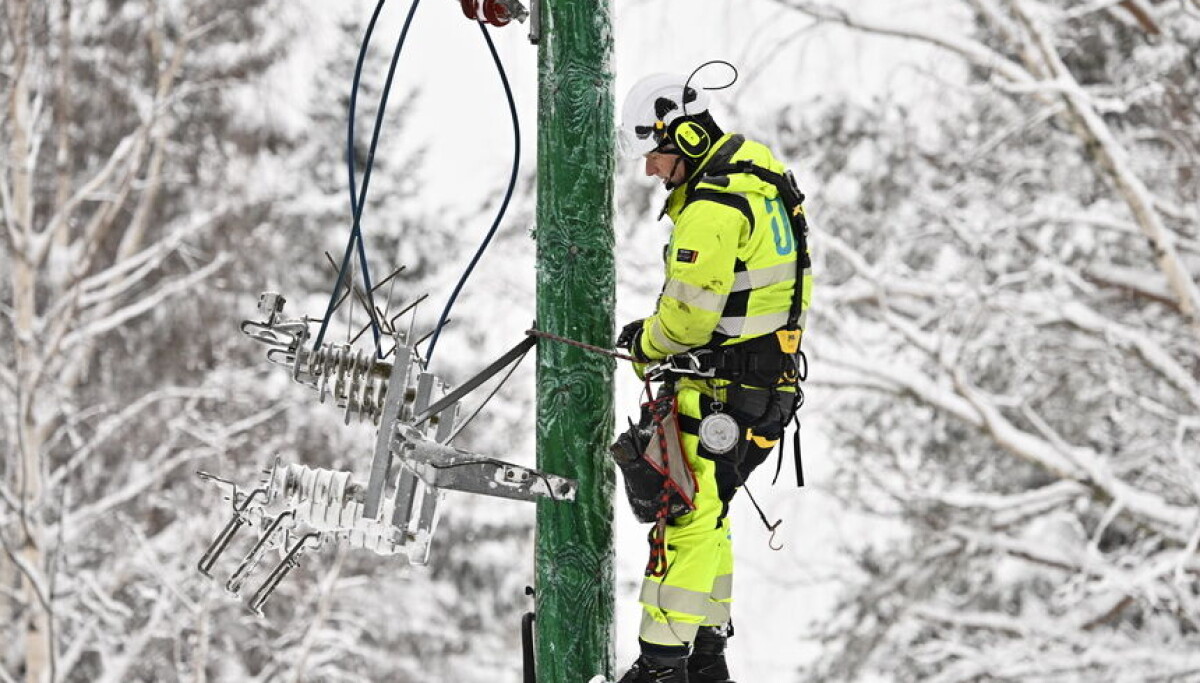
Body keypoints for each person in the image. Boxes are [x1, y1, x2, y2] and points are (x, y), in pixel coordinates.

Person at [611, 67, 814, 683]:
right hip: (762, 387)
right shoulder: (757, 170)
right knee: (713, 512)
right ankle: (705, 660)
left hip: (725, 391)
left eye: (654, 153)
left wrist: (647, 341)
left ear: (686, 137)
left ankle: (662, 668)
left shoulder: (714, 204)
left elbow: (689, 318)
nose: (649, 170)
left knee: (687, 516)